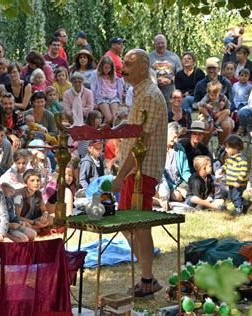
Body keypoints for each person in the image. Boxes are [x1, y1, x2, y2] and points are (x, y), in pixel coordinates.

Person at [111, 48, 168, 298]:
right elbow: (134, 135)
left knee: (139, 225)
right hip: (135, 170)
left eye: (130, 63)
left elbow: (140, 143)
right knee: (127, 223)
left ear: (144, 67)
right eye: (124, 62)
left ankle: (147, 279)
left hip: (142, 171)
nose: (124, 67)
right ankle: (148, 277)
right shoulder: (141, 92)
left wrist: (121, 175)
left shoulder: (150, 95)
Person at [155, 122, 191, 209]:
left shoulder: (179, 148)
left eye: (177, 137)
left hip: (179, 182)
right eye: (174, 137)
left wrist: (192, 181)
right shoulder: (158, 148)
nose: (176, 140)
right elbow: (160, 175)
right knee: (177, 196)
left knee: (193, 188)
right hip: (163, 182)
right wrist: (175, 188)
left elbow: (185, 171)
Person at [217, 135, 251, 216]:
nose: (226, 149)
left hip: (239, 183)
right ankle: (245, 203)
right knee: (231, 197)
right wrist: (222, 169)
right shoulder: (229, 158)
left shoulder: (242, 159)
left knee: (236, 197)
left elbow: (243, 172)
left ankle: (238, 210)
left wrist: (238, 181)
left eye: (227, 148)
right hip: (231, 182)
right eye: (225, 147)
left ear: (236, 147)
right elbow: (226, 165)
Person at [149, 34, 183, 107]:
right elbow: (144, 75)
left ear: (166, 43)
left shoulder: (174, 57)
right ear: (154, 44)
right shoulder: (149, 57)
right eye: (158, 43)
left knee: (170, 116)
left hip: (170, 95)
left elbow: (180, 76)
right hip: (154, 95)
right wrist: (155, 81)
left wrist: (170, 81)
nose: (161, 45)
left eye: (162, 43)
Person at [90, 56, 124, 125]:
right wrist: (94, 102)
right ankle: (102, 128)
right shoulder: (96, 74)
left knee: (115, 119)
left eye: (109, 68)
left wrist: (120, 100)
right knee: (109, 119)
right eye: (105, 68)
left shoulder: (113, 74)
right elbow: (93, 89)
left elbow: (117, 88)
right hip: (102, 98)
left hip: (113, 97)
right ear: (102, 66)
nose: (107, 70)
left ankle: (109, 130)